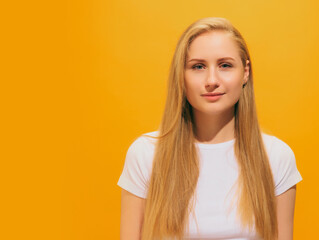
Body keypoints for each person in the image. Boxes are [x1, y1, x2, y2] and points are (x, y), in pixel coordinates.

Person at [117, 17, 303, 240]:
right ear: (181, 75)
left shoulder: (276, 156)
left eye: (225, 65)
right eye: (198, 66)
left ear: (245, 72)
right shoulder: (146, 154)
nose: (211, 80)